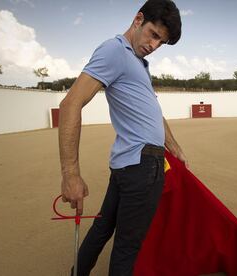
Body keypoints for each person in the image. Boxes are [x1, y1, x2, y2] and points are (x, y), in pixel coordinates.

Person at [58, 1, 186, 275]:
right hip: (143, 166)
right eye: (153, 34)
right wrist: (71, 174)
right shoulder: (115, 50)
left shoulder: (139, 62)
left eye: (161, 42)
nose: (154, 45)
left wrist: (174, 146)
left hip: (129, 164)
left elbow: (153, 111)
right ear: (138, 19)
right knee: (128, 247)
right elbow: (71, 104)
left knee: (103, 227)